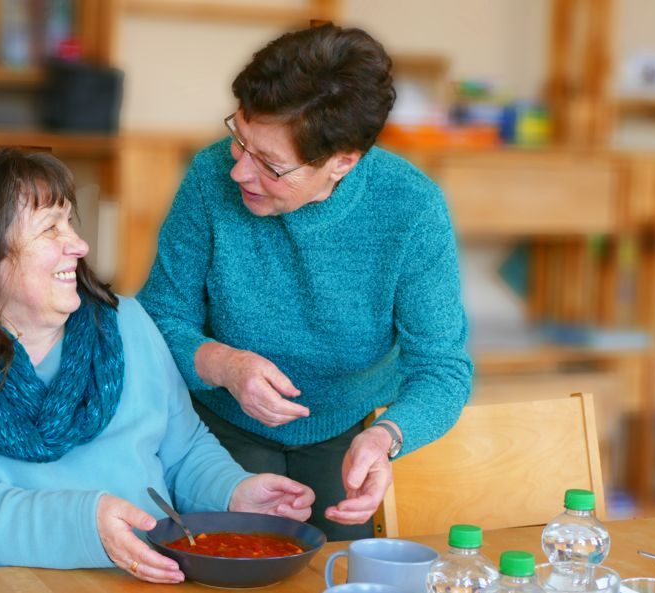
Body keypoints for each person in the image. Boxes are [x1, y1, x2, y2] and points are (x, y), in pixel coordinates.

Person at [0, 149, 314, 582]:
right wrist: (85, 524)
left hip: (140, 580)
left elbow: (183, 452)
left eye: (70, 222)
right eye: (50, 229)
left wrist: (232, 491)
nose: (79, 245)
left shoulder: (127, 321)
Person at [137, 24, 473, 541]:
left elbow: (442, 368)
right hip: (216, 425)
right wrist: (225, 365)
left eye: (270, 165)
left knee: (342, 567)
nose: (239, 172)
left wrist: (387, 436)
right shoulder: (209, 177)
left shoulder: (411, 209)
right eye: (239, 140)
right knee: (223, 558)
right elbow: (157, 319)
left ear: (342, 162)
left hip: (351, 428)